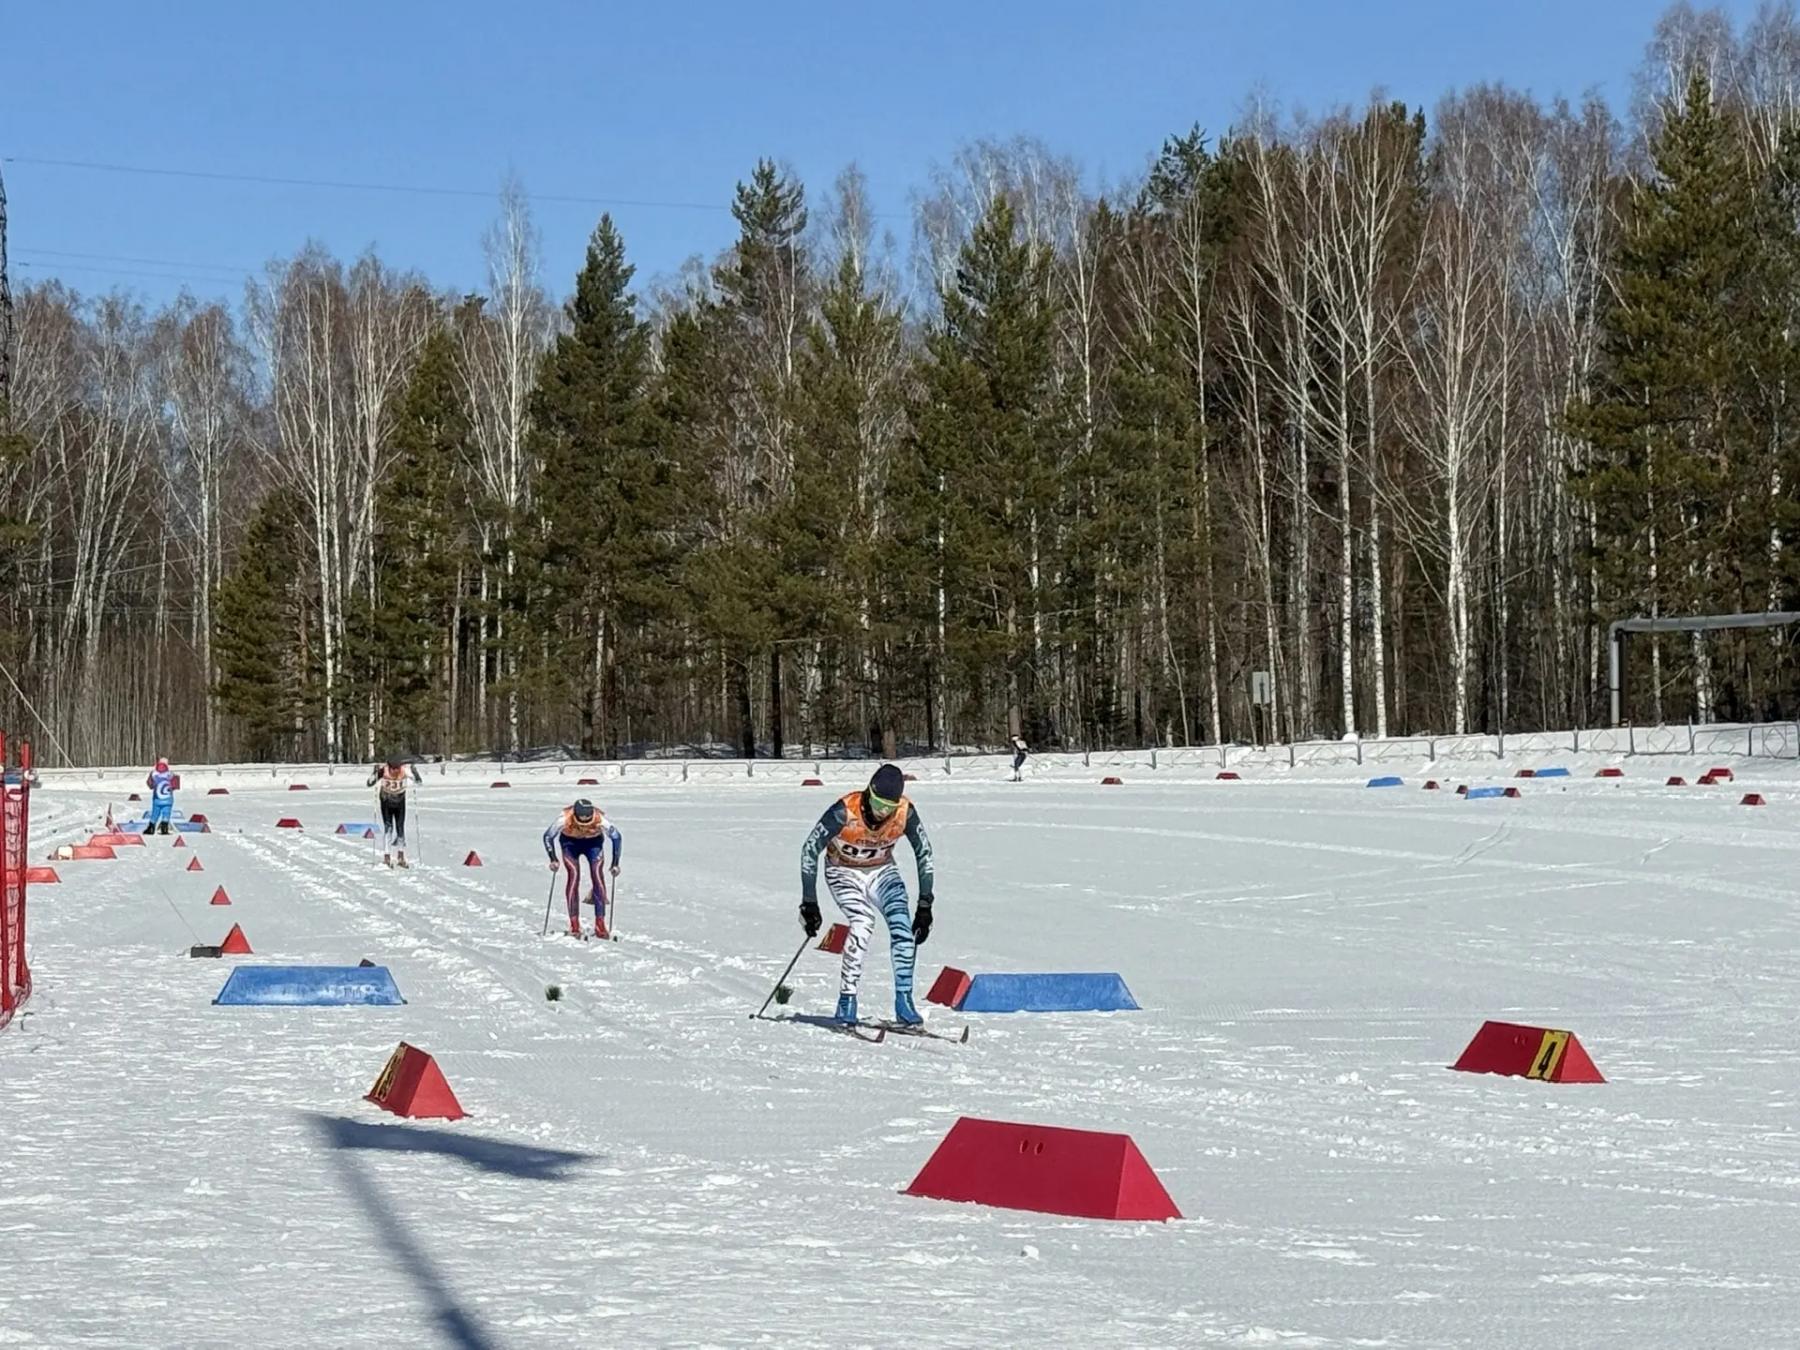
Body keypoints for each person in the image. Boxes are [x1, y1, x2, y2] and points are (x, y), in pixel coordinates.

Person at [799, 762, 936, 1027]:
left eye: (889, 807)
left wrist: (925, 904)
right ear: (868, 793)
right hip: (843, 873)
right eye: (877, 804)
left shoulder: (905, 812)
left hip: (882, 872)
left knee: (902, 928)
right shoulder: (844, 811)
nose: (881, 813)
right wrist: (809, 902)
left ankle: (904, 1002)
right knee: (863, 923)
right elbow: (809, 850)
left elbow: (925, 854)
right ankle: (847, 1001)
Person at [543, 799, 621, 939]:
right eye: (582, 819)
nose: (585, 821)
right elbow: (548, 836)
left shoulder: (599, 817)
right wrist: (553, 858)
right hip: (570, 844)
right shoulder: (565, 817)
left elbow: (616, 837)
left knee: (597, 875)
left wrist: (615, 863)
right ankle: (574, 923)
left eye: (588, 818)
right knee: (573, 875)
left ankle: (600, 923)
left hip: (593, 843)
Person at [367, 757, 423, 868]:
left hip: (400, 802)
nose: (395, 771)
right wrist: (374, 773)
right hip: (386, 801)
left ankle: (401, 856)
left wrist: (415, 772)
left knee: (400, 827)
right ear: (390, 767)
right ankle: (387, 856)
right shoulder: (384, 770)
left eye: (397, 768)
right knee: (388, 828)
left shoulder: (404, 770)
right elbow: (369, 783)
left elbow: (419, 782)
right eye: (393, 768)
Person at [145, 758, 177, 835]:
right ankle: (164, 828)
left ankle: (151, 828)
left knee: (155, 813)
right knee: (166, 813)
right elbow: (175, 785)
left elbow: (150, 784)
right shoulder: (170, 774)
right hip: (168, 799)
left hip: (157, 799)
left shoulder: (153, 774)